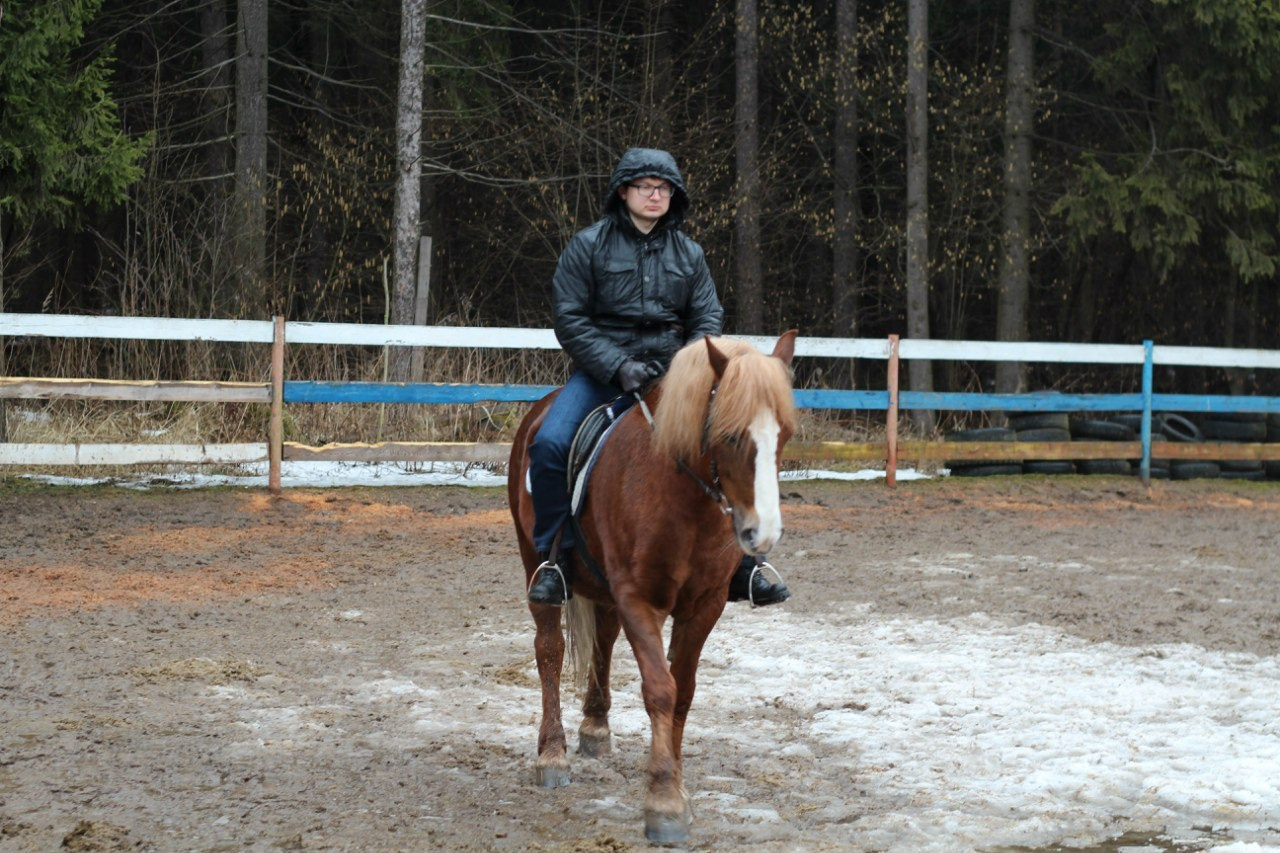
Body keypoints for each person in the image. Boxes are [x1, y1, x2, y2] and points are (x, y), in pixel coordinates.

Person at [526, 147, 791, 608]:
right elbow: (570, 319)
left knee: (731, 445)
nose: (656, 195)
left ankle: (746, 565)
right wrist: (616, 364)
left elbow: (707, 315)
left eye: (664, 188)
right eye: (646, 186)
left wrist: (688, 368)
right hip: (603, 375)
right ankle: (555, 558)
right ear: (623, 192)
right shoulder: (587, 245)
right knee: (549, 444)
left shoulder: (689, 253)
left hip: (676, 378)